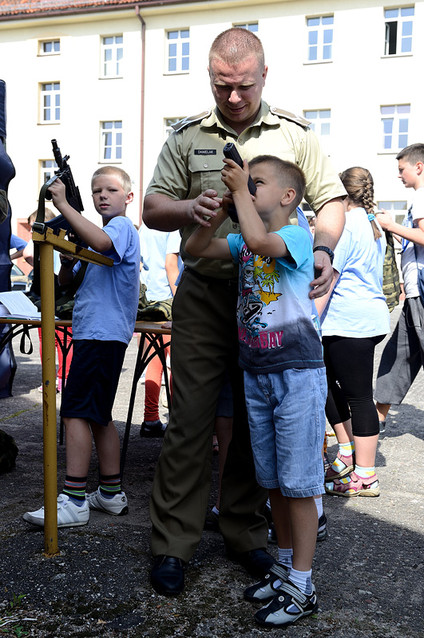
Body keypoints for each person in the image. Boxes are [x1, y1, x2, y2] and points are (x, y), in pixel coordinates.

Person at [143, 26, 346, 596]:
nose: (233, 98)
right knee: (190, 422)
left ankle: (245, 532)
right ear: (210, 78)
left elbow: (331, 201)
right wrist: (191, 206)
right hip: (209, 294)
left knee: (256, 426)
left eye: (244, 87)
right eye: (222, 86)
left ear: (264, 76)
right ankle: (173, 544)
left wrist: (323, 249)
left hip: (273, 304)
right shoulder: (186, 137)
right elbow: (155, 207)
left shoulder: (294, 133)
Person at [186, 155, 326, 628]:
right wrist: (219, 209)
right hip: (258, 372)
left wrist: (239, 197)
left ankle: (303, 585)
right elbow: (195, 251)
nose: (247, 186)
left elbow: (259, 240)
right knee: (273, 482)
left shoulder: (294, 237)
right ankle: (285, 568)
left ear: (287, 197)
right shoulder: (243, 241)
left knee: (300, 483)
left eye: (256, 182)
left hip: (296, 373)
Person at [23, 166, 140, 527]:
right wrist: (69, 261)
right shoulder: (101, 234)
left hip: (100, 335)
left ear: (128, 197)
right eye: (96, 191)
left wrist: (62, 204)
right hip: (101, 333)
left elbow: (104, 244)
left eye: (110, 190)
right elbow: (68, 281)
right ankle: (109, 493)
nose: (102, 196)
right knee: (99, 415)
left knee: (74, 412)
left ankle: (73, 500)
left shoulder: (119, 227)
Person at [315, 167, 390, 496]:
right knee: (328, 384)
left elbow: (328, 278)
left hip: (349, 322)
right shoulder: (373, 224)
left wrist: (308, 323)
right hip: (363, 319)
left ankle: (365, 475)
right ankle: (347, 453)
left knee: (359, 397)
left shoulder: (345, 227)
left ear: (340, 195)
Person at [374, 143, 424, 432]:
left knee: (401, 353)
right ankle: (377, 418)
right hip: (415, 292)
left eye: (401, 169)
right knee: (398, 354)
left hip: (422, 291)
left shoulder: (421, 196)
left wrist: (390, 226)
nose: (398, 175)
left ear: (418, 167)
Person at [138, 224, 180, 437]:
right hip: (170, 302)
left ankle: (150, 417)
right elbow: (171, 265)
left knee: (154, 363)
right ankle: (177, 420)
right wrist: (183, 304)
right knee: (178, 366)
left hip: (150, 303)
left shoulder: (147, 226)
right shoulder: (173, 227)